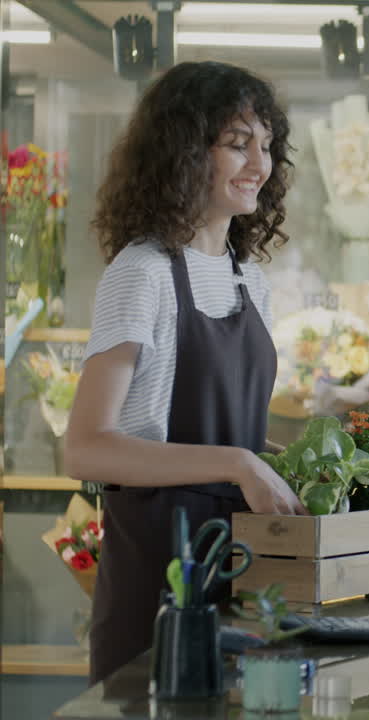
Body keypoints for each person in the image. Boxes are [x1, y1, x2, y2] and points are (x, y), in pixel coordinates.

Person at [64, 61, 307, 684]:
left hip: (246, 571)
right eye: (237, 144)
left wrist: (284, 462)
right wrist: (237, 463)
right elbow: (87, 448)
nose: (261, 163)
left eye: (267, 146)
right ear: (184, 152)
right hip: (160, 579)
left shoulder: (250, 280)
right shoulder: (141, 273)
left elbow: (229, 430)